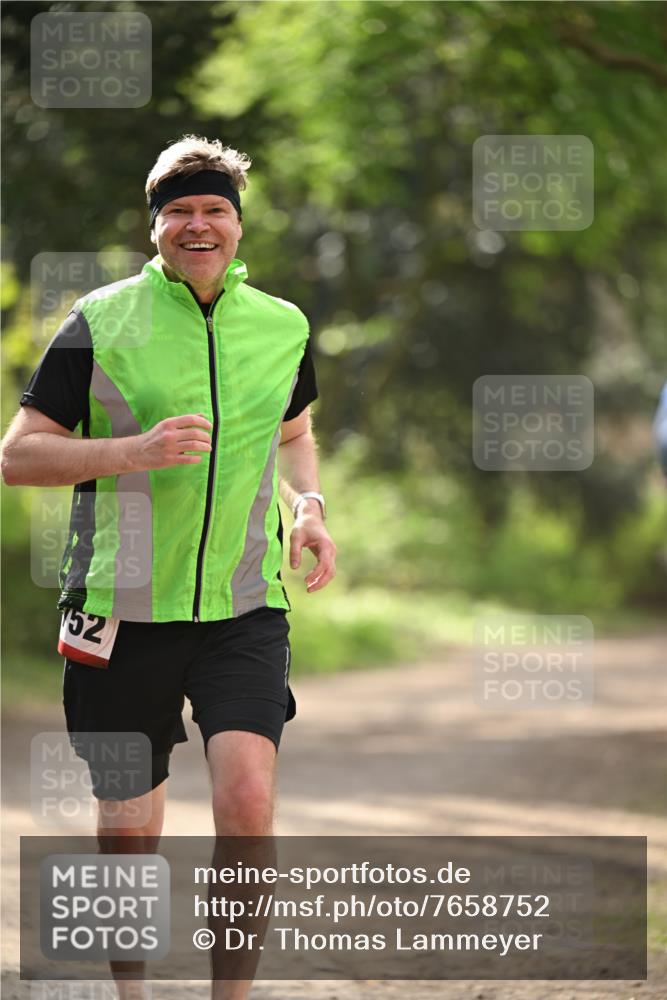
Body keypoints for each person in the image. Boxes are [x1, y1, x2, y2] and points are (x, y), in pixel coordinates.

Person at [1, 134, 337, 999]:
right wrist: (131, 451)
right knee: (126, 827)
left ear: (236, 222)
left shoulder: (283, 325)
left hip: (243, 607)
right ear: (154, 226)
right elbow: (20, 456)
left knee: (248, 803)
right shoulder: (101, 321)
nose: (197, 224)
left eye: (213, 209)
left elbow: (294, 432)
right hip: (120, 606)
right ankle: (132, 993)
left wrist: (309, 506)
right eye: (178, 211)